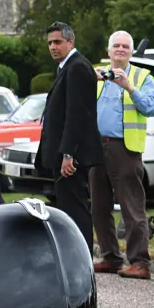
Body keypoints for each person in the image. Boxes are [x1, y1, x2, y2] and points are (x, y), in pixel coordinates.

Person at [90, 31, 154, 279]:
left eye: (125, 46)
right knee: (99, 207)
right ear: (108, 51)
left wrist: (129, 87)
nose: (120, 49)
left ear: (131, 51)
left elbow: (152, 107)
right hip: (96, 147)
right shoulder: (95, 73)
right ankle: (110, 257)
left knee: (132, 207)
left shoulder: (142, 77)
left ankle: (140, 262)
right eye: (116, 46)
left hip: (125, 149)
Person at [36, 21, 104, 256]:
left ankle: (81, 257)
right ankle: (73, 255)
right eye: (50, 43)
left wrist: (68, 154)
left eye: (57, 42)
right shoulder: (67, 67)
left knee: (75, 208)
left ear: (70, 41)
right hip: (65, 153)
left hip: (72, 156)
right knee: (67, 207)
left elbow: (78, 114)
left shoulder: (77, 68)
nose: (53, 47)